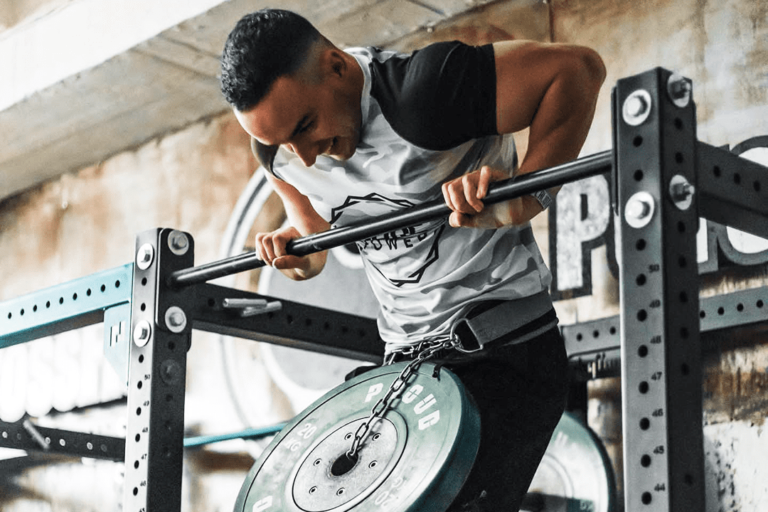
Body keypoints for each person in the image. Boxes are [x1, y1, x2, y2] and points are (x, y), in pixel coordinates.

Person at [220, 8, 605, 512]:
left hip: (503, 352)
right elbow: (313, 237)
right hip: (406, 366)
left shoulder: (425, 93)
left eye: (307, 126)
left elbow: (577, 71)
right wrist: (294, 248)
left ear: (336, 67)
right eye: (280, 142)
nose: (304, 156)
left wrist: (527, 193)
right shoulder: (278, 151)